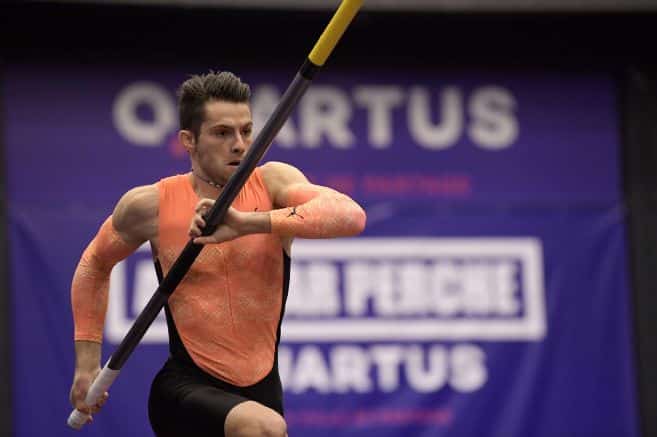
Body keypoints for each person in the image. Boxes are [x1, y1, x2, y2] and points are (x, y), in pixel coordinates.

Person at [69, 71, 367, 437]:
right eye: (223, 133)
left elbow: (350, 217)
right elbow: (94, 265)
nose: (240, 145)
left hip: (262, 391)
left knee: (264, 423)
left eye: (246, 130)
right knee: (264, 428)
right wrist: (87, 365)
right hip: (184, 390)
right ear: (188, 141)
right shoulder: (151, 205)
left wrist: (248, 223)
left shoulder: (273, 185)